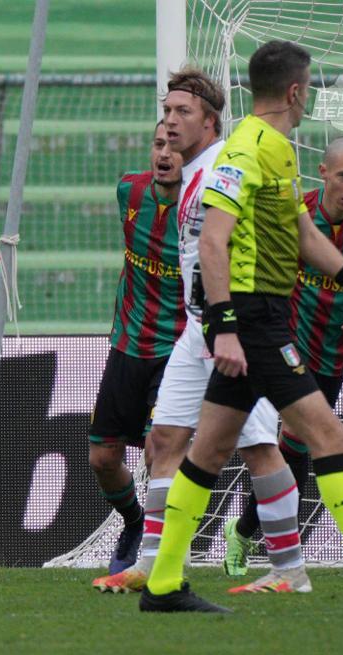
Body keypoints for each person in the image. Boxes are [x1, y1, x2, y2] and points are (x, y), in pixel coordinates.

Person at [139, 41, 343, 614]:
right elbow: (212, 239)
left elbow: (307, 237)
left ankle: (161, 585)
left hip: (260, 316)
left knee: (206, 452)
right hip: (252, 318)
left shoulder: (276, 149)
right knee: (327, 435)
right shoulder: (247, 149)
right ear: (296, 92)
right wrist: (226, 328)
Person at [96, 67, 311, 596]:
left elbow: (250, 242)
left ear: (210, 123)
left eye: (182, 113)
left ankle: (289, 570)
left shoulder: (224, 167)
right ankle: (150, 564)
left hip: (234, 325)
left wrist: (239, 322)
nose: (168, 123)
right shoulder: (188, 173)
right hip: (200, 328)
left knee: (260, 446)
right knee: (163, 440)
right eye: (166, 112)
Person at [224, 137, 343, 575]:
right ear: (323, 172)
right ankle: (286, 555)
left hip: (332, 353)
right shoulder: (297, 212)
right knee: (293, 439)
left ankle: (247, 531)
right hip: (281, 341)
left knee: (295, 448)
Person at [86, 122, 186, 585]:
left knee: (157, 451)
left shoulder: (202, 208)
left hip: (177, 349)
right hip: (127, 345)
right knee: (102, 459)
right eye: (158, 144)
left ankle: (158, 556)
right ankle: (132, 523)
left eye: (174, 146)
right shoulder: (130, 191)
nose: (163, 154)